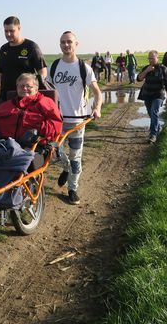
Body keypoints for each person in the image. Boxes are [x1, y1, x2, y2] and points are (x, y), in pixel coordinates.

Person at [47, 31, 102, 205]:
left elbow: (97, 92)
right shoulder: (54, 67)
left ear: (76, 44)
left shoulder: (83, 68)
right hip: (57, 120)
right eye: (63, 42)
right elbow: (46, 91)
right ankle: (65, 168)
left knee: (76, 157)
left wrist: (97, 107)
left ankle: (72, 189)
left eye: (69, 42)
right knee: (55, 152)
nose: (66, 45)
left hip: (78, 120)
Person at [0, 73, 63, 142]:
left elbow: (56, 125)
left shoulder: (45, 102)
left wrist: (37, 130)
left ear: (36, 89)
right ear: (17, 88)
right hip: (3, 144)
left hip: (31, 146)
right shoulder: (6, 105)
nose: (25, 88)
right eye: (21, 86)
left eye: (29, 86)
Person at [0, 16, 47, 110]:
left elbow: (42, 71)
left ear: (19, 29)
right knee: (2, 123)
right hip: (5, 97)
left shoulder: (31, 47)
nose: (8, 34)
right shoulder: (4, 49)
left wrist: (34, 91)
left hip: (25, 98)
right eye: (6, 31)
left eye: (11, 31)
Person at [137, 50, 167, 143]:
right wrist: (147, 70)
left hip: (158, 95)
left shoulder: (163, 69)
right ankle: (158, 127)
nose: (150, 60)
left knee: (154, 112)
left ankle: (153, 135)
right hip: (147, 94)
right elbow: (139, 79)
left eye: (152, 58)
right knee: (150, 113)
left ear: (157, 58)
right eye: (149, 58)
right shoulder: (146, 68)